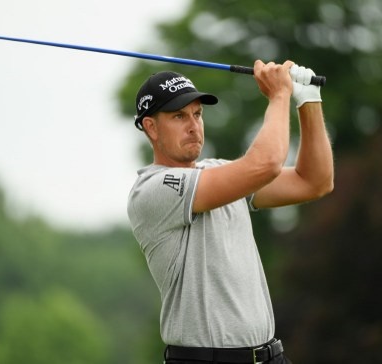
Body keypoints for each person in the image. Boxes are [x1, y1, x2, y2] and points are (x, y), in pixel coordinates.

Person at [127, 60, 334, 364]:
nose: (193, 125)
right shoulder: (153, 189)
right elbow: (264, 165)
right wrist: (279, 96)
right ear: (151, 127)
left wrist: (308, 100)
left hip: (271, 355)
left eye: (197, 114)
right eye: (179, 116)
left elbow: (314, 181)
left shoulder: (219, 172)